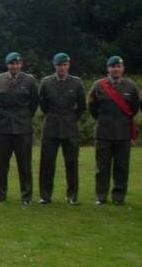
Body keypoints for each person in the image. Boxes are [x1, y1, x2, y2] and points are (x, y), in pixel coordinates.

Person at [89, 55, 140, 205]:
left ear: (123, 69)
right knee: (102, 168)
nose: (116, 69)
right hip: (103, 132)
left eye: (119, 66)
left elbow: (135, 108)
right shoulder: (98, 85)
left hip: (123, 132)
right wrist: (103, 120)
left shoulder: (131, 86)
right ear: (108, 69)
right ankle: (101, 196)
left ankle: (118, 197)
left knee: (121, 166)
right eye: (113, 66)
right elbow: (92, 108)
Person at [38, 53, 86, 205]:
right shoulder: (46, 82)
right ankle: (45, 196)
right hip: (51, 126)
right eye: (60, 65)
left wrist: (71, 118)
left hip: (69, 126)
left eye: (65, 65)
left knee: (71, 163)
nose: (62, 68)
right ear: (55, 66)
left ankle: (72, 196)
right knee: (47, 163)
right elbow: (43, 104)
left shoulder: (77, 83)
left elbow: (81, 105)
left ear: (68, 65)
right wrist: (53, 116)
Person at [0, 52, 39, 205]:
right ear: (7, 65)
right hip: (4, 126)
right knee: (1, 164)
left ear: (21, 64)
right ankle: (0, 195)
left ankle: (26, 196)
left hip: (22, 127)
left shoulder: (29, 80)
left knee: (24, 164)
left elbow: (34, 103)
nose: (15, 66)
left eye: (17, 63)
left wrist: (24, 116)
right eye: (12, 64)